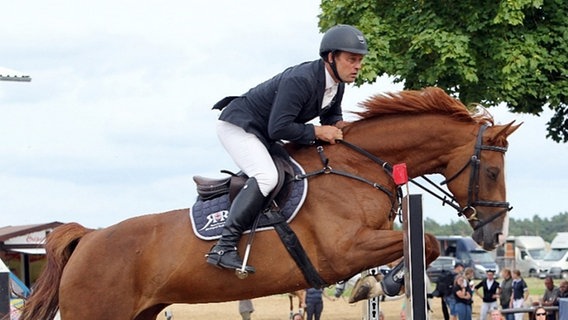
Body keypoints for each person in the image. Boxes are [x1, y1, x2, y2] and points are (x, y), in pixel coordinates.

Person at [205, 24, 368, 272]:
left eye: (360, 60)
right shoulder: (301, 80)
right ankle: (223, 246)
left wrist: (356, 130)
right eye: (352, 59)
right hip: (240, 126)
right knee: (267, 176)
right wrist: (316, 132)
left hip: (264, 132)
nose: (358, 66)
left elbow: (332, 119)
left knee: (295, 171)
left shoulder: (337, 84)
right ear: (331, 57)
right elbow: (278, 128)